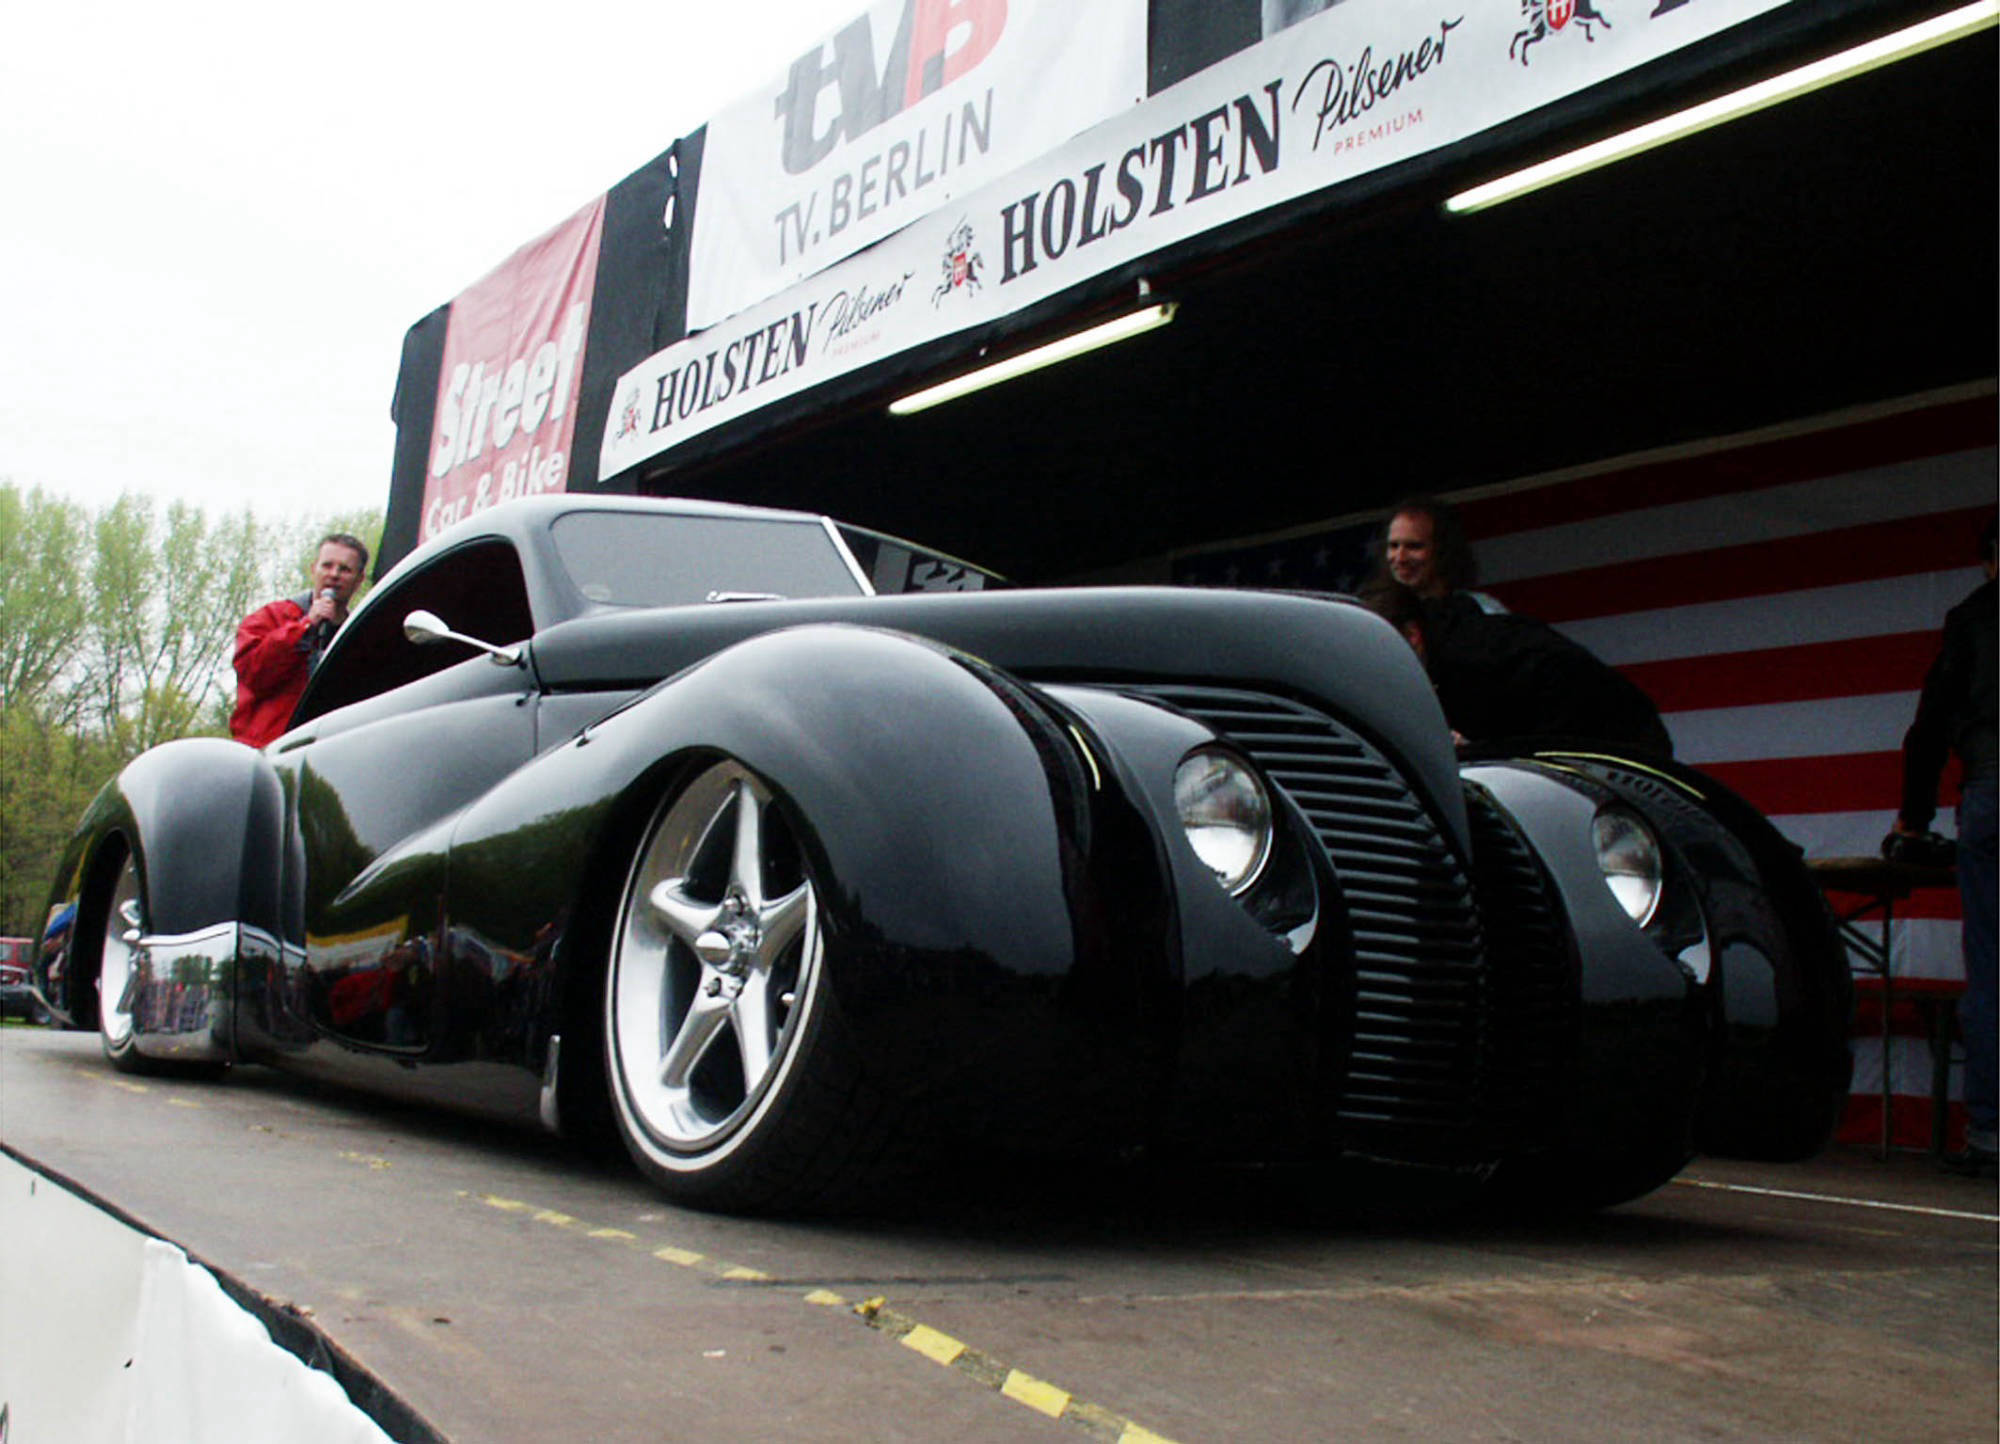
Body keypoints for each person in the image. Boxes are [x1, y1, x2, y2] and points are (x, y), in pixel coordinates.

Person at [1889, 514, 1996, 1177]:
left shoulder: (1972, 618)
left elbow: (1928, 728)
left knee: (1991, 969)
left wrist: (1913, 818)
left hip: (1991, 790)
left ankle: (1991, 1133)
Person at [1362, 579, 1673, 757]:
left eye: (1379, 650)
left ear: (1413, 635)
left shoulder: (1474, 665)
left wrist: (1479, 748)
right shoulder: (1449, 642)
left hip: (1626, 742)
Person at [229, 533, 369, 747]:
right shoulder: (271, 617)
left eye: (344, 569)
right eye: (327, 566)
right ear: (314, 569)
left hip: (328, 750)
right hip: (271, 749)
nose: (334, 575)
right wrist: (305, 626)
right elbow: (253, 675)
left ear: (359, 580)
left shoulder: (359, 636)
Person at [1371, 496, 1506, 615]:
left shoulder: (1483, 610)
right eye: (1394, 546)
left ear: (1444, 550)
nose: (1400, 558)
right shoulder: (1373, 615)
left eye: (1414, 546)